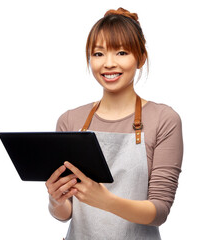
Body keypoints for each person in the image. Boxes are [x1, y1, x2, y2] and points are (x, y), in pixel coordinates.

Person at [45, 7, 183, 240]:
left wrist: (105, 201)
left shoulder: (163, 119)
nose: (108, 63)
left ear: (140, 58)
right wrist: (55, 199)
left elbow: (159, 211)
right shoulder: (70, 121)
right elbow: (65, 213)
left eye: (121, 52)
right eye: (98, 54)